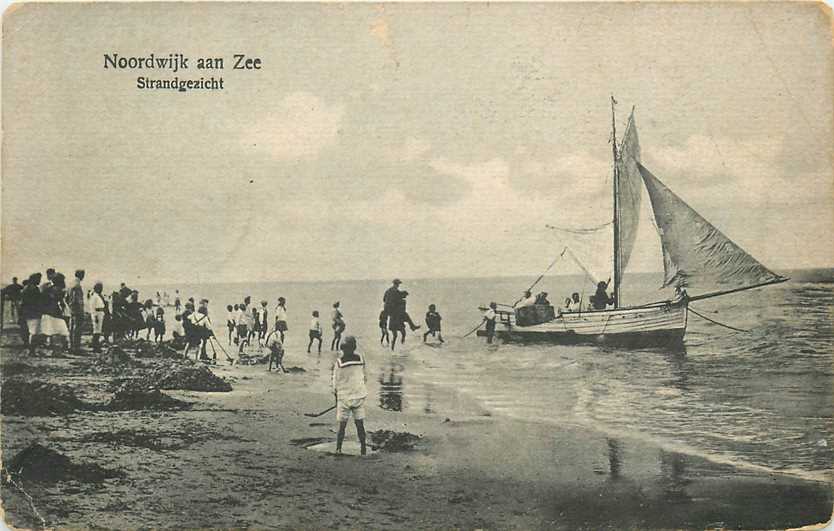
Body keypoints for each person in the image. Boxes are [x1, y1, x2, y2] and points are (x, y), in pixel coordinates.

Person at [331, 336, 368, 455]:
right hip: (359, 395)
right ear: (354, 348)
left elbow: (335, 382)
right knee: (360, 424)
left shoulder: (339, 362)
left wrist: (336, 395)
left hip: (344, 397)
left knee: (342, 425)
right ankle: (363, 449)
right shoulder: (361, 359)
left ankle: (338, 449)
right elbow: (364, 377)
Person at [40, 273, 70, 350]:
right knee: (60, 331)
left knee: (52, 330)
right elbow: (60, 301)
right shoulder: (57, 289)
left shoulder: (46, 287)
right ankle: (58, 349)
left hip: (47, 311)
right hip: (55, 312)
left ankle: (52, 346)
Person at [19, 273, 43, 355]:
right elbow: (37, 301)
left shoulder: (26, 288)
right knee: (34, 333)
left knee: (31, 332)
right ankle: (32, 351)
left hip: (28, 313)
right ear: (34, 279)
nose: (40, 281)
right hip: (33, 313)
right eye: (38, 279)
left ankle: (31, 350)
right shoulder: (33, 289)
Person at [67, 269, 86, 353]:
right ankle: (76, 347)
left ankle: (72, 346)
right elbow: (77, 299)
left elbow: (67, 298)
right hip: (77, 309)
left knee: (72, 328)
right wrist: (81, 310)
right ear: (81, 275)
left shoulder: (70, 284)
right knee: (77, 329)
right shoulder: (77, 285)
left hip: (71, 309)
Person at [89, 282, 107, 353]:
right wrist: (95, 316)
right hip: (97, 313)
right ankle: (95, 347)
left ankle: (96, 346)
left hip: (100, 313)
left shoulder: (98, 296)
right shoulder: (94, 296)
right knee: (96, 331)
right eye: (100, 288)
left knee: (98, 331)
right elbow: (93, 307)